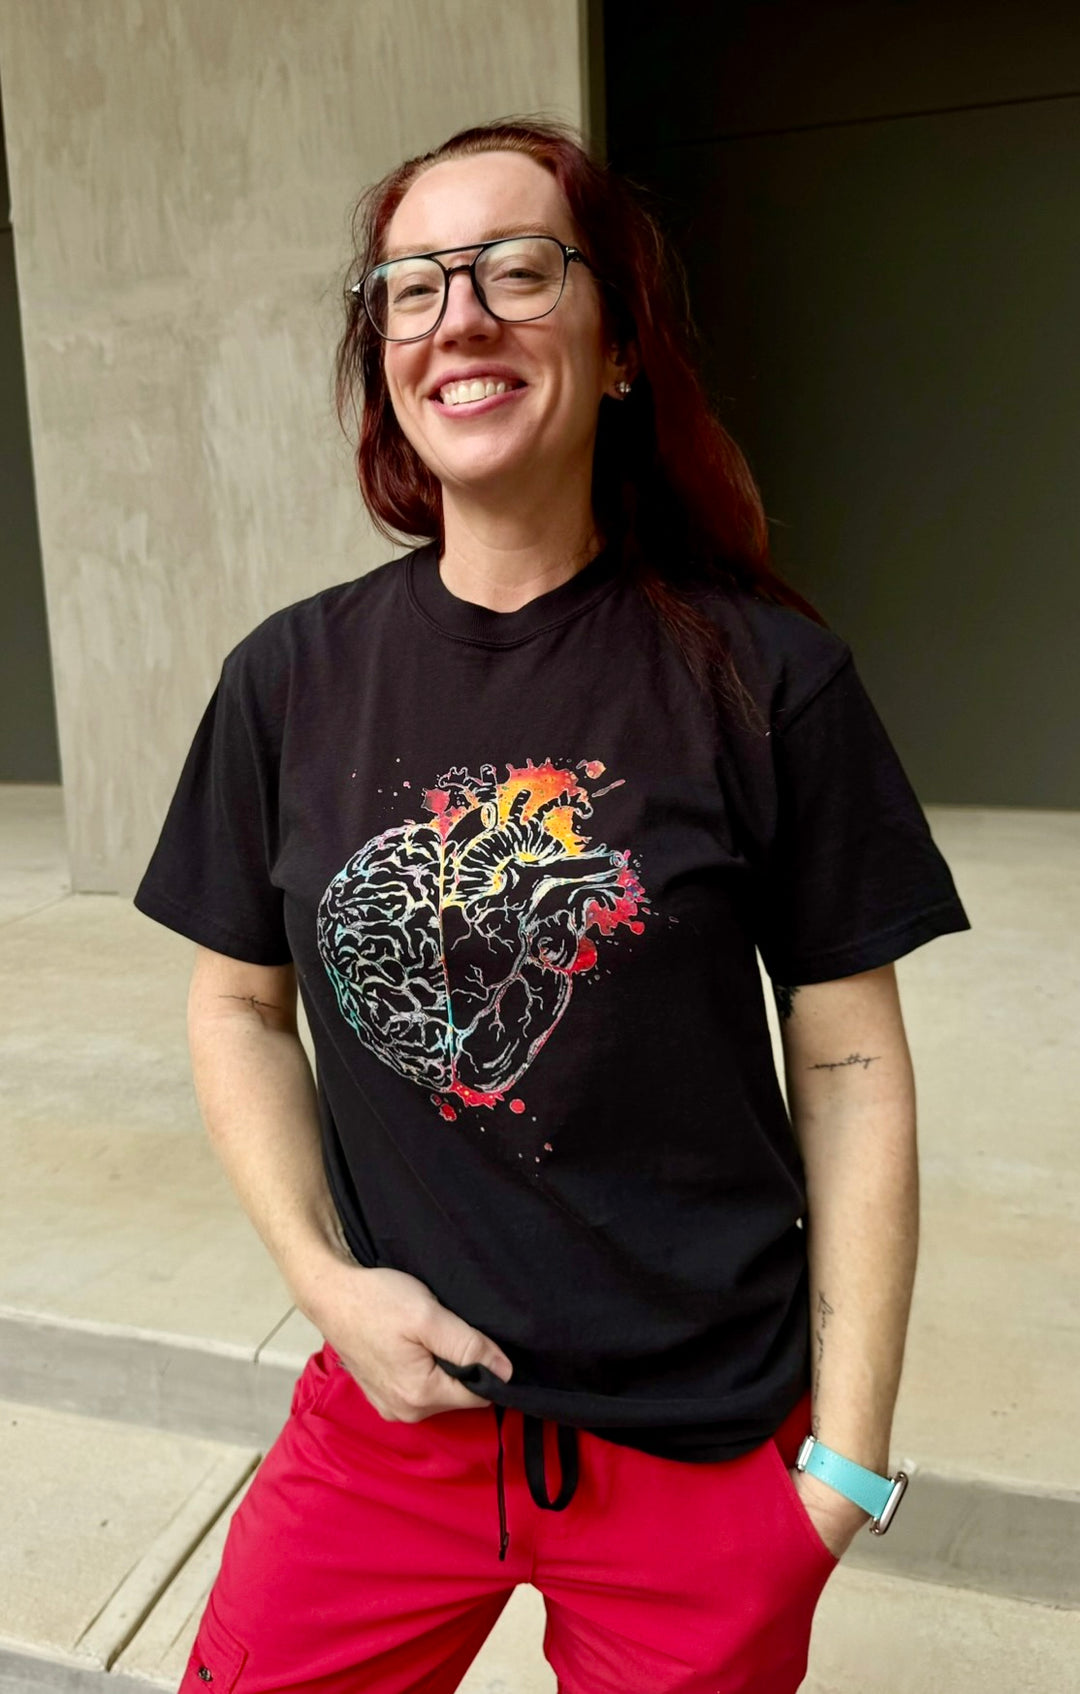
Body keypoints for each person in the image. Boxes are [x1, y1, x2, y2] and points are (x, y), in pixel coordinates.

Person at [134, 114, 971, 1694]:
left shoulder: (765, 678)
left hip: (699, 1446)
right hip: (392, 1428)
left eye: (518, 270)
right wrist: (326, 1285)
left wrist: (844, 1465)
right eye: (411, 286)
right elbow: (238, 1002)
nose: (460, 314)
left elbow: (852, 1062)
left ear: (619, 351)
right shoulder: (289, 680)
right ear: (385, 356)